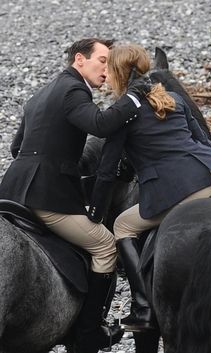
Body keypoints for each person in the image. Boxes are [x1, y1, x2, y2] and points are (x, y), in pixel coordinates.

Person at [0, 38, 150, 352]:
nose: (107, 70)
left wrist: (66, 165)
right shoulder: (74, 89)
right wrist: (135, 97)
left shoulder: (40, 94)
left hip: (13, 189)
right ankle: (90, 331)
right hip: (46, 196)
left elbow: (17, 149)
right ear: (79, 59)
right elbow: (101, 124)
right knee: (105, 245)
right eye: (102, 61)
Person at [87, 44, 211, 332]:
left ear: (117, 73)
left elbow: (106, 172)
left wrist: (96, 212)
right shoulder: (174, 97)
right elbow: (202, 140)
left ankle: (142, 308)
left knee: (122, 227)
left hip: (180, 189)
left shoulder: (121, 112)